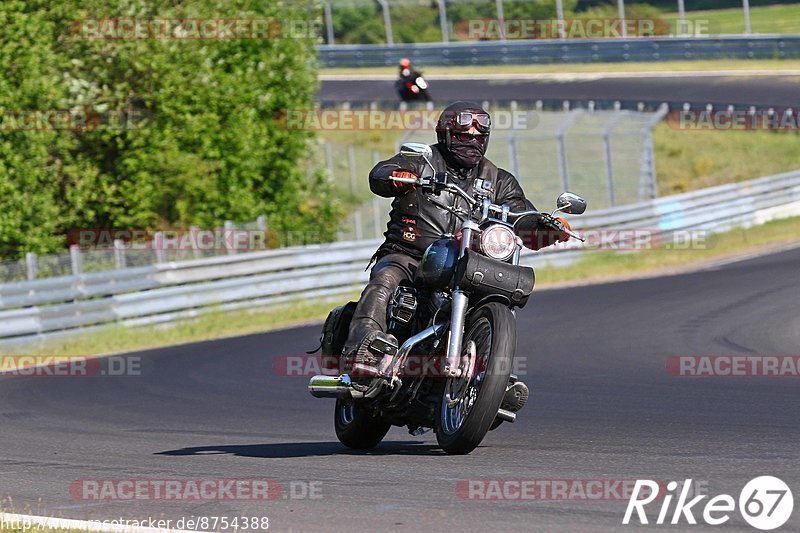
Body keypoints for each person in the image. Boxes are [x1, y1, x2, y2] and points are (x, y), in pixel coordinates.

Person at [342, 101, 571, 413]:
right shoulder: (422, 160)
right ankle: (364, 353)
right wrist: (400, 176)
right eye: (464, 137)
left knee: (499, 297)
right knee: (385, 279)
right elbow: (379, 175)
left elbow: (520, 212)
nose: (473, 142)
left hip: (466, 266)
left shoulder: (498, 181)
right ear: (446, 135)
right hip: (410, 256)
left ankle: (491, 377)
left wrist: (544, 225)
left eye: (479, 137)